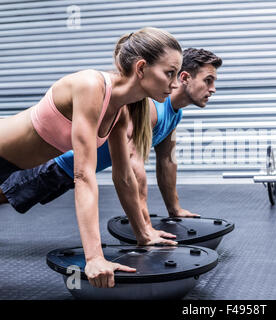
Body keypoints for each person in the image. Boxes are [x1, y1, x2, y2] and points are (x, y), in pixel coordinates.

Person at [0, 27, 182, 288]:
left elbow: (123, 176)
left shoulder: (120, 111)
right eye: (170, 73)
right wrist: (94, 257)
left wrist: (144, 233)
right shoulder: (90, 86)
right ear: (141, 68)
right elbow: (83, 175)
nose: (175, 84)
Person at [0, 48, 222, 227]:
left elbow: (167, 161)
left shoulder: (175, 114)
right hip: (55, 163)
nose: (213, 89)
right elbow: (133, 166)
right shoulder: (153, 108)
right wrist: (144, 227)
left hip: (70, 171)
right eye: (208, 80)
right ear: (185, 77)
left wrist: (175, 210)